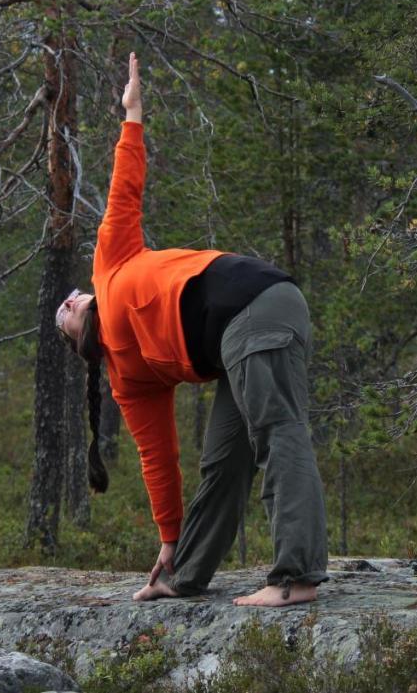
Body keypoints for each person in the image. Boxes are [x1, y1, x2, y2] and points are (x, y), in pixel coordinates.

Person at [56, 53, 328, 607]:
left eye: (69, 298)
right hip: (237, 342)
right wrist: (168, 540)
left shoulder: (109, 267)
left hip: (255, 302)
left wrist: (132, 118)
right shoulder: (129, 382)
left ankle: (295, 578)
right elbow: (159, 461)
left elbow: (123, 191)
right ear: (80, 340)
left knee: (277, 429)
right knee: (223, 459)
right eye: (65, 311)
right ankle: (184, 576)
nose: (70, 297)